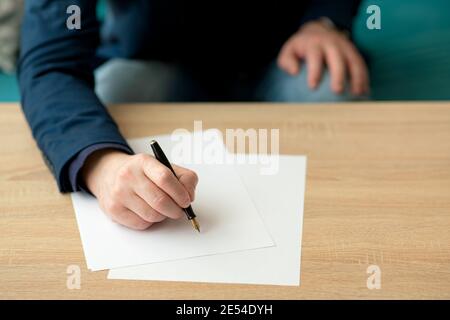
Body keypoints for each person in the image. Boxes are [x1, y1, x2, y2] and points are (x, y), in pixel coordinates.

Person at [18, 0, 368, 230]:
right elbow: (50, 63)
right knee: (111, 99)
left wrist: (324, 21)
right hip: (154, 59)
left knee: (332, 88)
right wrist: (101, 163)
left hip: (283, 53)